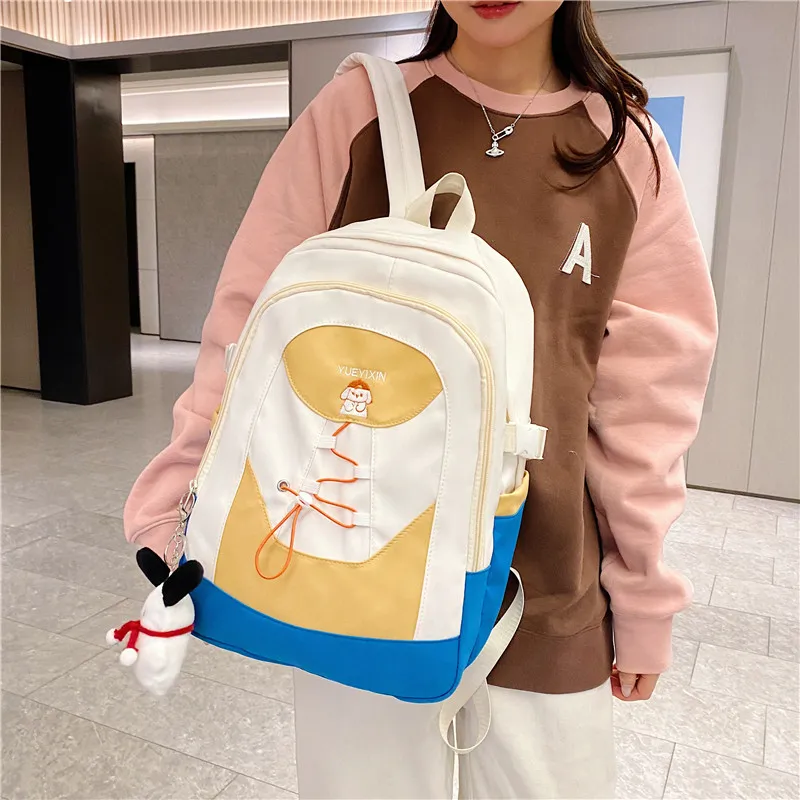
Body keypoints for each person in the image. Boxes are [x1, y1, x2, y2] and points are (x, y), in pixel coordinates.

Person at [124, 1, 718, 797]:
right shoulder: (359, 111)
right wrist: (180, 502)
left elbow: (647, 403)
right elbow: (249, 324)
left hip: (545, 583)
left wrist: (643, 594)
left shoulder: (624, 147)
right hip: (358, 565)